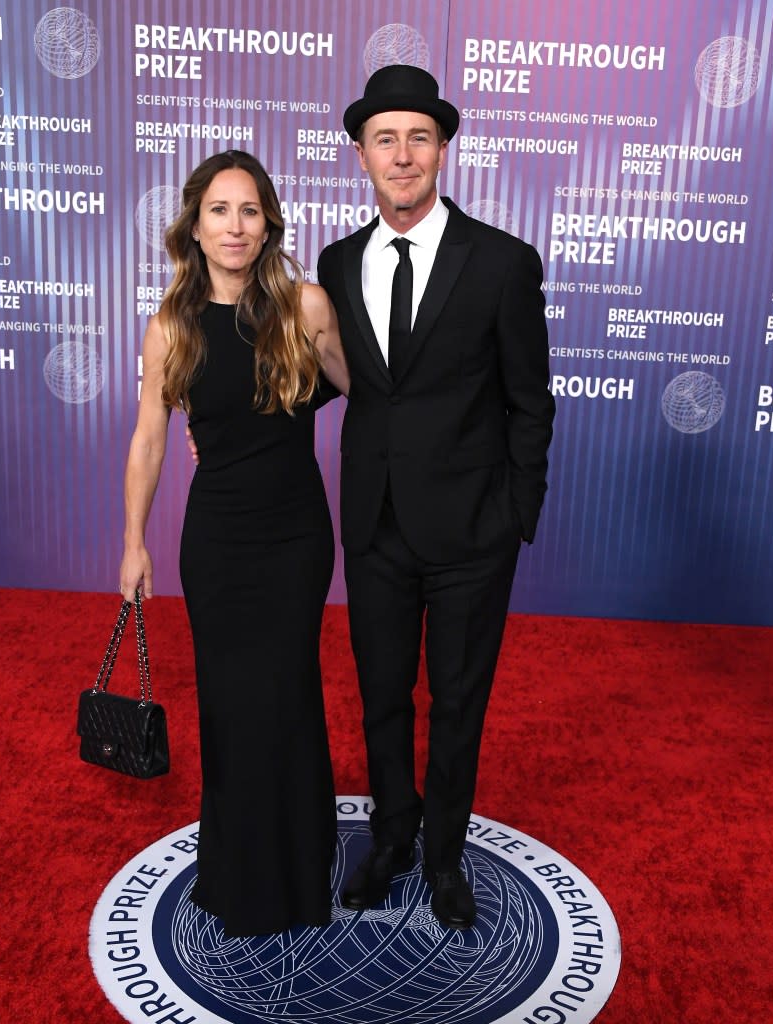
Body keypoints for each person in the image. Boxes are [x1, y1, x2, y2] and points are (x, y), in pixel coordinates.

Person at [316, 65, 556, 930]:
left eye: (419, 137)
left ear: (444, 151)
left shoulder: (501, 261)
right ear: (361, 156)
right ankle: (391, 836)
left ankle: (446, 856)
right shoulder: (336, 262)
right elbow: (333, 381)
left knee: (459, 701)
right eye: (386, 139)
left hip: (472, 534)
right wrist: (227, 415)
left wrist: (513, 518)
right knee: (381, 694)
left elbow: (530, 402)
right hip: (375, 524)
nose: (403, 154)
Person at [119, 149, 349, 937]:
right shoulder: (170, 325)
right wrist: (133, 544)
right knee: (227, 701)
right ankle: (237, 868)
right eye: (219, 210)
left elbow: (371, 393)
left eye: (249, 210)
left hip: (294, 537)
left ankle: (299, 858)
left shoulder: (305, 307)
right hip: (215, 541)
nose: (235, 225)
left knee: (285, 693)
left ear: (268, 223)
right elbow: (150, 440)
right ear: (194, 223)